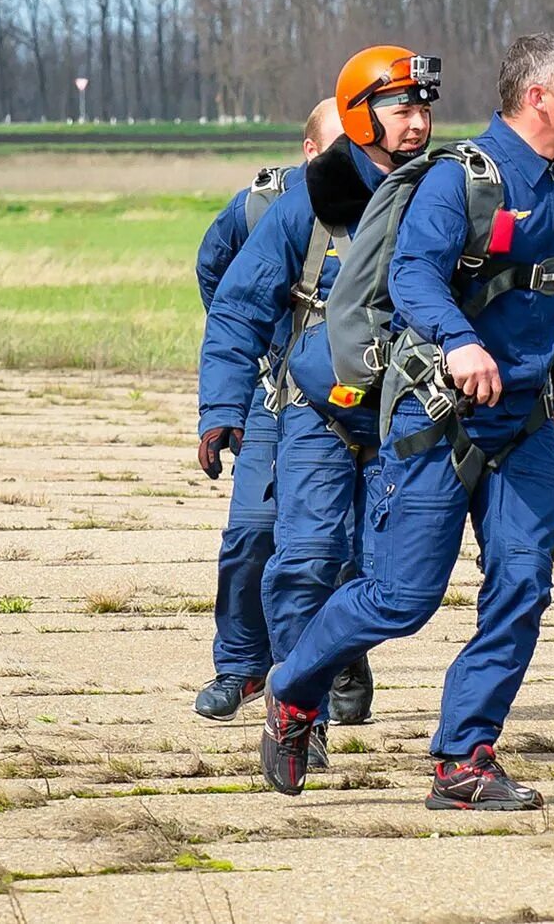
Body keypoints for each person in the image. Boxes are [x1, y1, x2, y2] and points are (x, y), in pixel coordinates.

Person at [260, 32, 554, 810]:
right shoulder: (459, 181)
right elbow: (413, 275)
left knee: (522, 583)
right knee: (399, 598)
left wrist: (553, 401)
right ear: (538, 96)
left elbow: (547, 303)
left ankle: (463, 759)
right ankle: (294, 689)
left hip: (522, 427)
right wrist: (460, 341)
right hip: (438, 420)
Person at [196, 48, 437, 743]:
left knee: (377, 570)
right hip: (312, 410)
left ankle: (339, 657)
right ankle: (301, 714)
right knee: (299, 559)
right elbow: (237, 305)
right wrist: (221, 407)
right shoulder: (304, 201)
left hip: (410, 415)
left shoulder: (450, 193)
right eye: (400, 108)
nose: (416, 123)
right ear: (363, 117)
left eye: (423, 108)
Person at [190, 99, 339, 721]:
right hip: (277, 393)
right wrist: (232, 389)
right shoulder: (263, 205)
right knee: (253, 531)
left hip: (367, 400)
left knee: (341, 546)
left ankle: (334, 662)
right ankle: (243, 665)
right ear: (309, 152)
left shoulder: (404, 199)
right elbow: (221, 283)